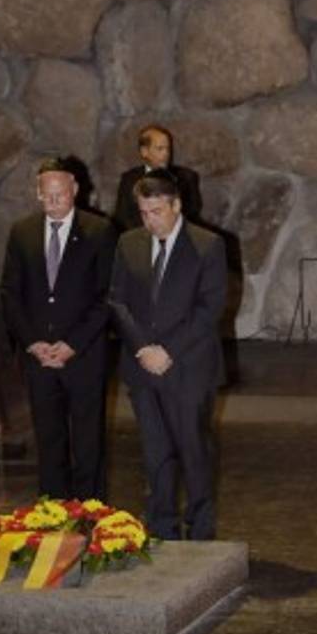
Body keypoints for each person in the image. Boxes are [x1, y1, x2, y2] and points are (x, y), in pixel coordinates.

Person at [108, 171, 227, 540]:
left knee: (192, 448)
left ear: (176, 205)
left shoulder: (208, 245)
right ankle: (160, 526)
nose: (150, 220)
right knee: (154, 451)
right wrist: (144, 348)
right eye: (143, 212)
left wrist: (168, 351)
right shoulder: (129, 243)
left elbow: (210, 308)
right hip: (143, 367)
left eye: (157, 211)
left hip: (188, 367)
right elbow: (117, 300)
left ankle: (200, 524)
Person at [1, 158, 117, 500]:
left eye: (60, 195)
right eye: (47, 196)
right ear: (38, 194)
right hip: (39, 356)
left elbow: (107, 296)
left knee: (87, 440)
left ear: (75, 191)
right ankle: (52, 510)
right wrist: (32, 342)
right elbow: (10, 292)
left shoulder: (99, 231)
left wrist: (72, 343)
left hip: (83, 355)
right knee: (48, 439)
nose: (54, 202)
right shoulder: (22, 232)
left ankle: (91, 512)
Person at [113, 123, 202, 231]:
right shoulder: (128, 179)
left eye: (168, 149)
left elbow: (192, 215)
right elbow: (122, 216)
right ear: (144, 151)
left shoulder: (186, 178)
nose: (166, 154)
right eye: (160, 149)